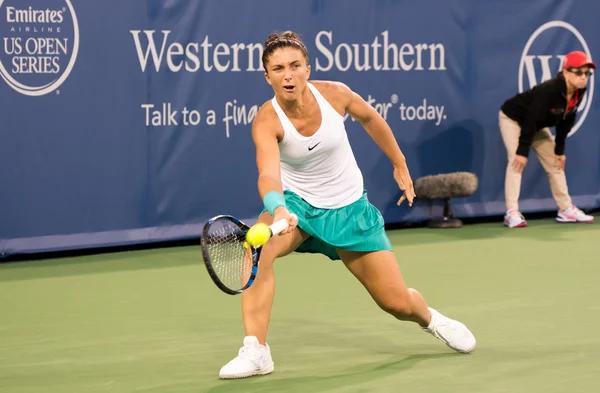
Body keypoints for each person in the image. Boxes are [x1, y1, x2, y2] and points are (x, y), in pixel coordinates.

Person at [218, 31, 476, 380]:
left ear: (308, 67)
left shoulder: (335, 94)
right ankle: (256, 350)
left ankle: (430, 319)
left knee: (395, 302)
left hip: (350, 209)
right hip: (299, 208)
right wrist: (278, 208)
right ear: (268, 77)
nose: (289, 75)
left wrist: (399, 163)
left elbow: (370, 118)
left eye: (295, 65)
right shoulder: (267, 119)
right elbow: (268, 173)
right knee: (256, 248)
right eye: (278, 69)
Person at [499, 51, 595, 228]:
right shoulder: (549, 90)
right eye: (579, 72)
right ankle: (511, 212)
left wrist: (559, 151)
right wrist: (522, 151)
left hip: (536, 124)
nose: (584, 77)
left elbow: (566, 121)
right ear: (566, 72)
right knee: (516, 161)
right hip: (513, 118)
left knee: (555, 162)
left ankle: (565, 209)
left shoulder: (579, 92)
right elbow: (531, 119)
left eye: (587, 73)